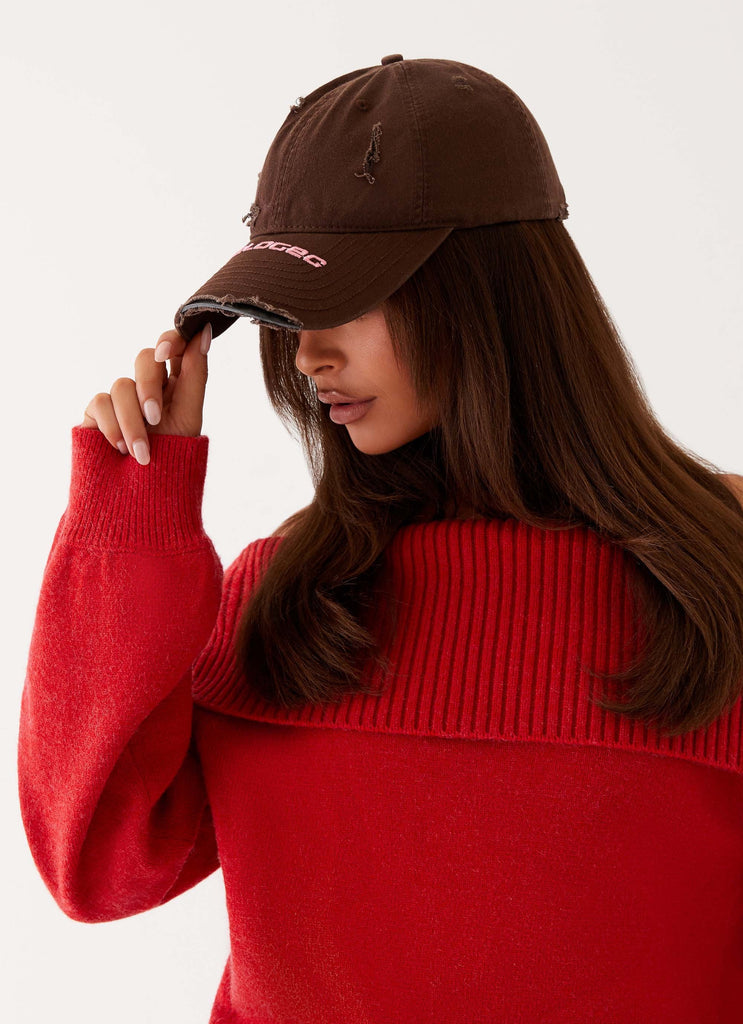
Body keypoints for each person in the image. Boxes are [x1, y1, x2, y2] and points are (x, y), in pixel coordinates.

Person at [17, 55, 743, 1023]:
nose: (307, 353)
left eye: (348, 299)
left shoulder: (713, 576)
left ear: (486, 294)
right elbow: (100, 869)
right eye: (286, 314)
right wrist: (131, 521)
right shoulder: (292, 596)